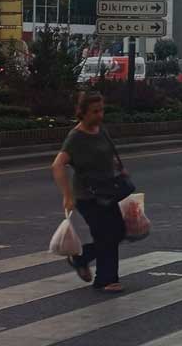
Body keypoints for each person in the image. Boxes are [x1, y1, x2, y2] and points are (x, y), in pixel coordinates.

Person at [51, 92, 127, 292]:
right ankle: (108, 279)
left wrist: (118, 167)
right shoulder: (76, 137)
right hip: (87, 194)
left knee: (118, 231)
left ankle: (81, 258)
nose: (100, 115)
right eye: (95, 111)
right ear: (82, 113)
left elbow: (108, 153)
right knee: (105, 234)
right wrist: (67, 195)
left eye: (102, 110)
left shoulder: (100, 130)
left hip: (109, 190)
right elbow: (58, 165)